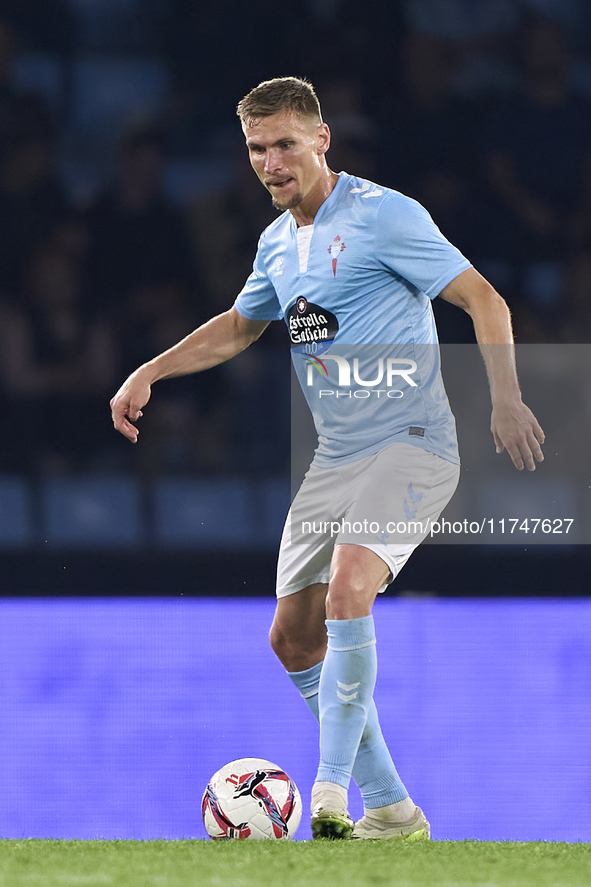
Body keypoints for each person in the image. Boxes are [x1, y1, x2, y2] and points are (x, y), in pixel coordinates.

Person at [110, 77, 545, 840]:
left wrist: (503, 398)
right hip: (334, 458)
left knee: (350, 587)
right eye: (256, 149)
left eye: (284, 143)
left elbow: (484, 299)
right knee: (291, 638)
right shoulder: (277, 243)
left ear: (321, 140)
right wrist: (150, 369)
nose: (271, 162)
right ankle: (393, 808)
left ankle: (330, 790)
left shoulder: (385, 215)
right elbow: (240, 326)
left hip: (412, 444)